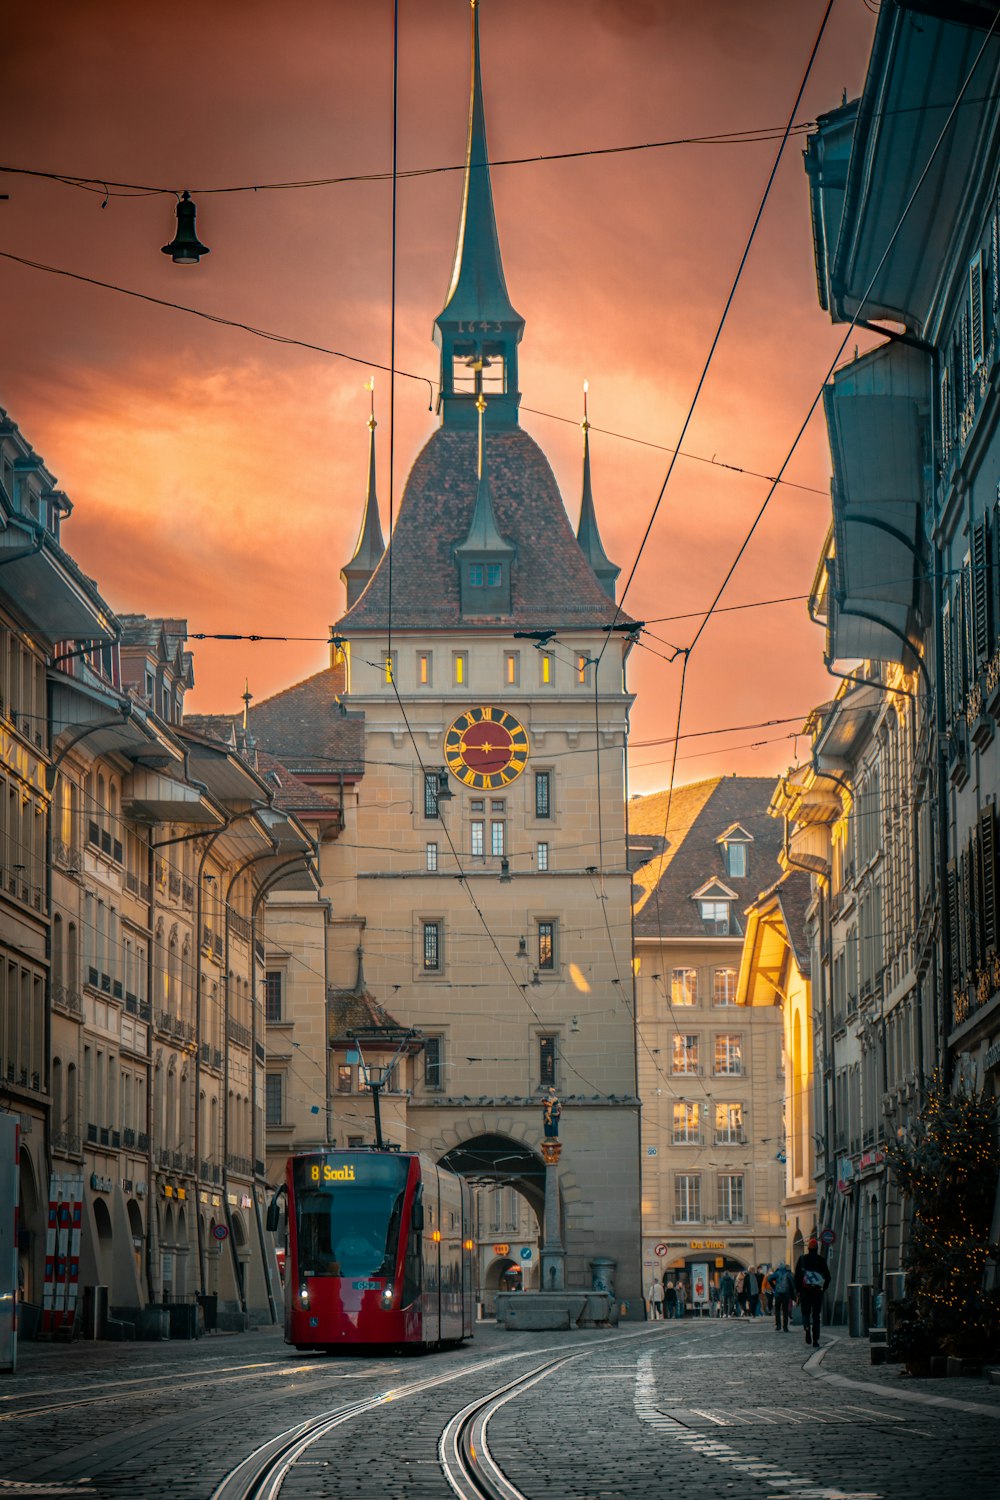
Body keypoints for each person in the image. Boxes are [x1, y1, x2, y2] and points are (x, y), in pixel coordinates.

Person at [794, 1236, 831, 1347]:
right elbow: (828, 1277)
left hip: (805, 1291)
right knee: (816, 1315)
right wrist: (823, 1288)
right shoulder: (821, 1260)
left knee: (805, 1312)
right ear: (817, 1248)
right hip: (817, 1292)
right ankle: (815, 1339)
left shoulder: (802, 1259)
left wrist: (799, 1290)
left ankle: (806, 1327)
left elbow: (797, 1277)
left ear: (808, 1248)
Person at [770, 1260, 796, 1332]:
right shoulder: (788, 1274)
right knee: (785, 1310)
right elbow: (792, 1283)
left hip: (778, 1294)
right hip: (786, 1294)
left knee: (777, 1310)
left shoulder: (777, 1273)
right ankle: (785, 1327)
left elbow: (769, 1279)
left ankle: (778, 1325)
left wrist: (774, 1286)